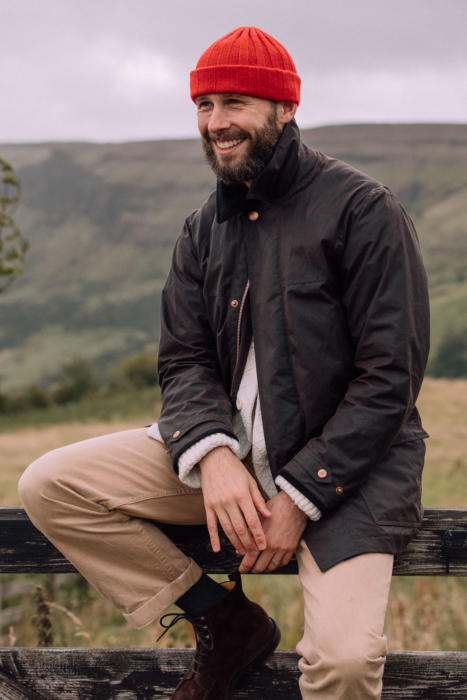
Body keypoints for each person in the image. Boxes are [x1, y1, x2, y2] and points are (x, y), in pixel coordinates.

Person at [18, 26, 430, 700]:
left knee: (345, 665)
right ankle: (222, 619)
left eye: (234, 103)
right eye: (204, 106)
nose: (216, 123)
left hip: (350, 478)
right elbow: (183, 360)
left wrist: (299, 496)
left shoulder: (363, 210)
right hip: (230, 464)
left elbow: (389, 379)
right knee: (50, 485)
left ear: (285, 108)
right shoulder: (201, 228)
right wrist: (212, 455)